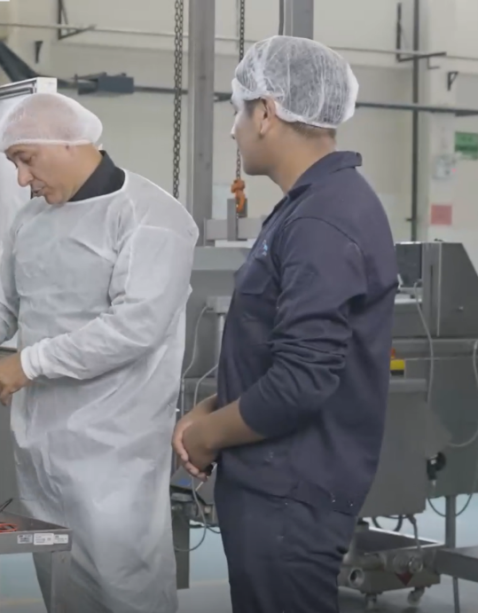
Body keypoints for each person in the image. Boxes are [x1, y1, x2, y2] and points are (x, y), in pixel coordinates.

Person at [0, 92, 198, 613]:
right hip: (41, 445)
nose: (20, 178)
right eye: (14, 163)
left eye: (25, 159)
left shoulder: (151, 218)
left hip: (115, 452)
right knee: (61, 583)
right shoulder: (31, 221)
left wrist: (30, 363)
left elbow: (134, 327)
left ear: (69, 143)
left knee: (126, 585)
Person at [172, 36, 398, 613]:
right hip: (276, 488)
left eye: (236, 109)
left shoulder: (323, 217)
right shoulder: (312, 205)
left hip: (289, 495)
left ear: (267, 112)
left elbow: (301, 380)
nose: (232, 130)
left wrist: (208, 434)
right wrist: (216, 405)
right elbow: (288, 352)